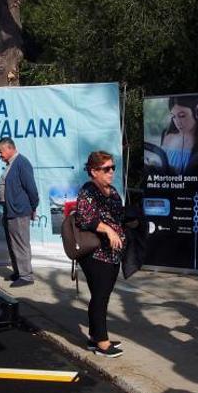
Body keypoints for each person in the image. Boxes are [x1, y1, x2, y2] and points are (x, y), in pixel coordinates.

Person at [75, 151, 126, 358]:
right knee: (100, 296)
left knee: (101, 295)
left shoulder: (112, 191)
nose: (111, 172)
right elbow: (84, 218)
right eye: (106, 169)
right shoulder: (88, 192)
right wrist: (109, 229)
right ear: (94, 171)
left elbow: (119, 215)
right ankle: (102, 343)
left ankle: (95, 336)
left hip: (112, 254)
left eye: (113, 167)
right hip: (95, 254)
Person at [0, 137, 39, 287]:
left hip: (19, 211)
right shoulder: (11, 164)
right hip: (10, 210)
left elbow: (31, 189)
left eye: (0, 151)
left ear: (9, 148)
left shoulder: (21, 163)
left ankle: (26, 276)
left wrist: (33, 207)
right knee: (13, 243)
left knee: (20, 243)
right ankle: (18, 272)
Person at [158, 95, 198, 175]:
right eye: (173, 116)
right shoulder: (166, 135)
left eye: (182, 116)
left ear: (197, 111)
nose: (177, 122)